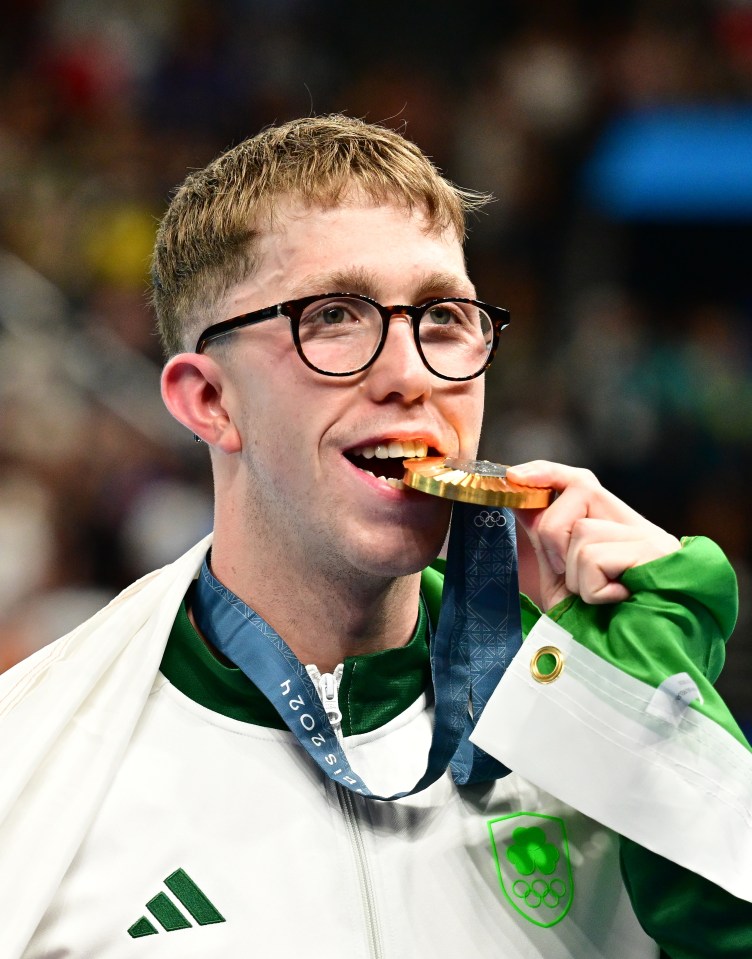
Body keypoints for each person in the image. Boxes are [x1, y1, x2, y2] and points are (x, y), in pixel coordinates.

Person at [0, 114, 750, 958]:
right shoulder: (30, 773)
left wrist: (657, 736)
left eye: (443, 318)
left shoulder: (593, 714)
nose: (413, 374)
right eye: (335, 317)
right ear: (209, 401)